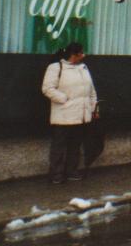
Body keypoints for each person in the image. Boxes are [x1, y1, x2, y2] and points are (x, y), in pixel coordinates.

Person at [41, 42, 98, 184]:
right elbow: (48, 88)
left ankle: (71, 171)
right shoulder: (55, 68)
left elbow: (91, 90)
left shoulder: (84, 68)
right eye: (82, 53)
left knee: (75, 145)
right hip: (64, 115)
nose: (84, 55)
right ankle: (56, 175)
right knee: (59, 146)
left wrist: (93, 108)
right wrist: (64, 99)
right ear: (74, 55)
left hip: (81, 116)